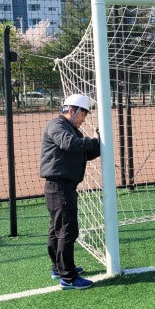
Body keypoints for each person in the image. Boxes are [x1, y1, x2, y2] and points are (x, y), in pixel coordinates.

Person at [39, 93, 100, 290]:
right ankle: (68, 277)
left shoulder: (73, 130)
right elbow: (70, 144)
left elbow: (87, 152)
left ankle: (59, 268)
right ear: (72, 110)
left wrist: (99, 141)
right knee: (67, 230)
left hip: (62, 186)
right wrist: (92, 141)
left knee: (57, 230)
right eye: (83, 113)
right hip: (59, 187)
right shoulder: (57, 126)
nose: (84, 119)